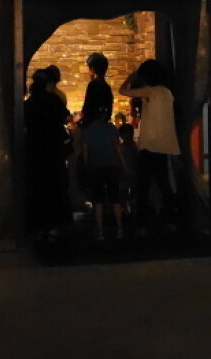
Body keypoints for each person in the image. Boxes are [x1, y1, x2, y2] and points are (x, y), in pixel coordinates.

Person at [118, 58, 182, 235]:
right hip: (164, 146)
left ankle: (142, 224)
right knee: (164, 184)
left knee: (143, 186)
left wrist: (131, 77)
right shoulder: (167, 93)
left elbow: (122, 91)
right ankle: (171, 220)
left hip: (148, 146)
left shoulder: (149, 92)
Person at [24, 67, 71, 240]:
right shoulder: (53, 99)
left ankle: (38, 227)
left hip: (34, 150)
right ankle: (52, 227)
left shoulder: (29, 103)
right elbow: (66, 117)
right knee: (54, 188)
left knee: (37, 188)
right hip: (53, 150)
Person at [74, 105, 127, 241]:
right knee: (115, 198)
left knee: (98, 200)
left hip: (96, 167)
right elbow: (117, 147)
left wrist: (87, 167)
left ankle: (100, 231)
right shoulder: (111, 128)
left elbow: (85, 153)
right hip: (112, 166)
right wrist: (124, 164)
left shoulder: (86, 131)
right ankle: (120, 229)